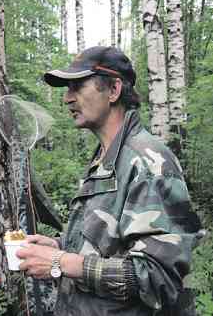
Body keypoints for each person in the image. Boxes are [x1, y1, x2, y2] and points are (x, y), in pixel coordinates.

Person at [17, 46, 201, 315]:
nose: (67, 98)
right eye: (67, 89)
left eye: (77, 86)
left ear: (114, 90)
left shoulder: (148, 162)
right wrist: (59, 245)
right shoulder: (105, 158)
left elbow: (159, 277)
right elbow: (110, 242)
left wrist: (61, 261)